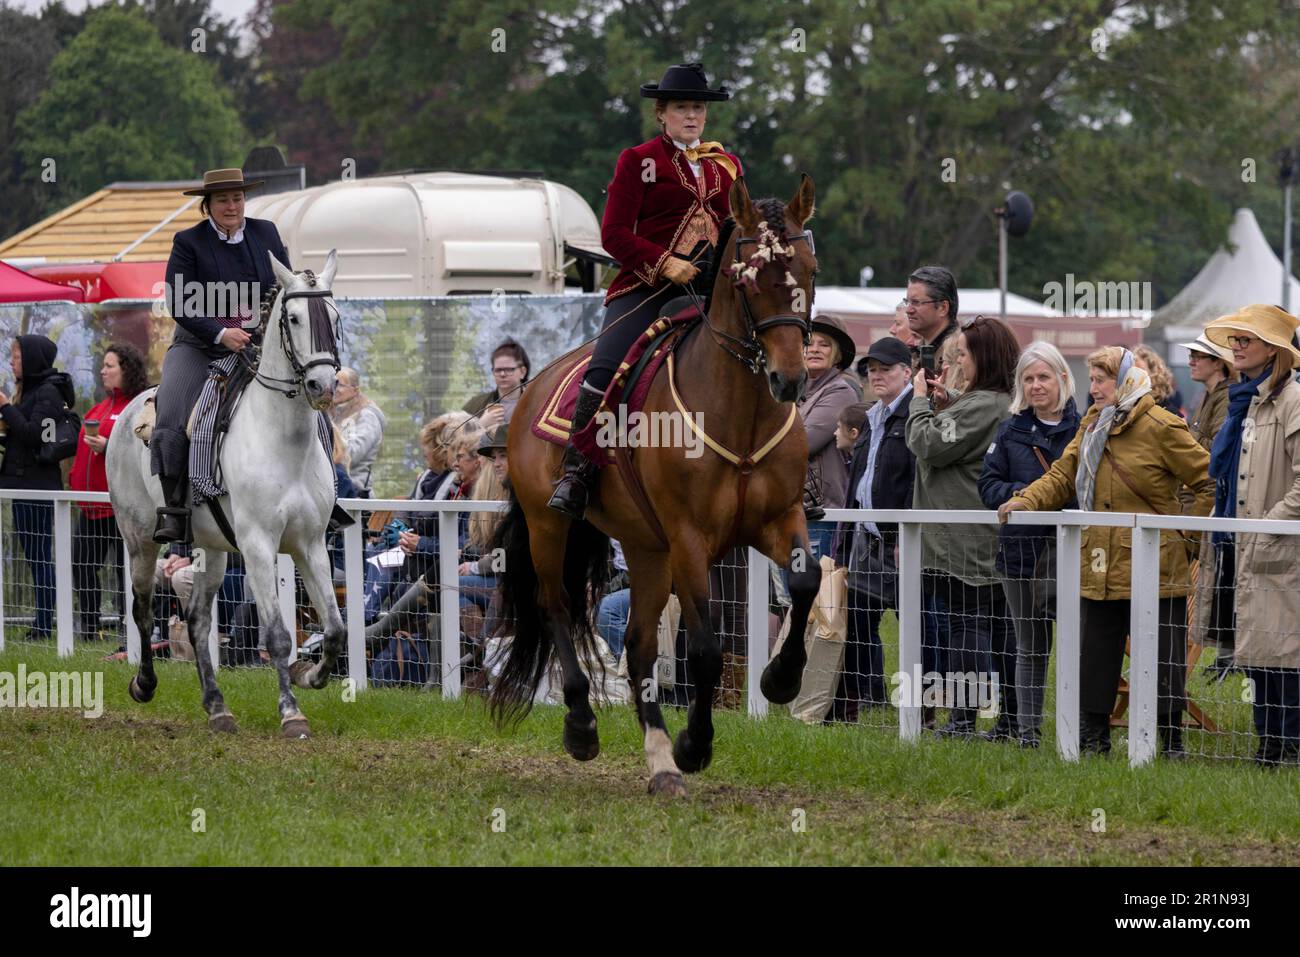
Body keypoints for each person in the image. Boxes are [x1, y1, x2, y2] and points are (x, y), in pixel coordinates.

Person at [548, 63, 743, 518]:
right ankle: (578, 471)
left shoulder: (727, 166)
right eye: (682, 107)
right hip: (647, 287)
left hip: (714, 289)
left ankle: (797, 475)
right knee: (604, 367)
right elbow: (613, 234)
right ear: (662, 113)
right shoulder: (639, 161)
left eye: (698, 107)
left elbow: (738, 225)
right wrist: (664, 263)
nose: (692, 116)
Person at [999, 346, 1213, 757]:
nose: (1092, 388)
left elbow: (1207, 482)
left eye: (1102, 379)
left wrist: (1185, 538)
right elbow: (1063, 475)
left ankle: (1170, 743)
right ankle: (1093, 739)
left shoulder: (1163, 426)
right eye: (1092, 379)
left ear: (1127, 380)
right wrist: (1026, 500)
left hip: (1156, 566)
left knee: (1164, 659)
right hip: (1098, 564)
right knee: (1094, 657)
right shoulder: (1093, 424)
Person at [155, 167, 348, 543]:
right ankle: (175, 510)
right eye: (224, 200)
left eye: (238, 198)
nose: (232, 206)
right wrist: (220, 332)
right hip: (198, 345)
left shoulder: (266, 233)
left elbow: (285, 286)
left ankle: (327, 499)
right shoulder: (188, 242)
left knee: (312, 407)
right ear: (207, 205)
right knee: (171, 416)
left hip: (259, 345)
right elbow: (178, 301)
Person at [1191, 306, 1300, 766]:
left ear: (1272, 350)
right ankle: (1267, 743)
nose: (1235, 345)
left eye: (1246, 339)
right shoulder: (1249, 400)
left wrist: (1266, 526)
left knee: (1285, 650)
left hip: (1277, 546)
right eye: (1233, 339)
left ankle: (1287, 744)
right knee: (1256, 648)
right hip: (1241, 544)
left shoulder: (1292, 400)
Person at [909, 316, 1019, 739]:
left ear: (983, 357)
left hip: (961, 540)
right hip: (978, 536)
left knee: (966, 626)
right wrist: (950, 397)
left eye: (964, 355)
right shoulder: (996, 400)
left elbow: (928, 444)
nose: (960, 362)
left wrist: (920, 400)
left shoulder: (982, 403)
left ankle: (961, 722)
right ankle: (1011, 721)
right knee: (998, 628)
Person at [978, 341, 1081, 747]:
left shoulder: (1086, 428)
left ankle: (1078, 734)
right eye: (1029, 378)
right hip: (1020, 552)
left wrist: (1046, 498)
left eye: (1044, 377)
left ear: (1062, 379)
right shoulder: (1009, 430)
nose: (1037, 386)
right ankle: (1027, 734)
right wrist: (1026, 493)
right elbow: (987, 486)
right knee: (1030, 646)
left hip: (1071, 554)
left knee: (1077, 644)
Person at [834, 336, 916, 722]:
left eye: (886, 369)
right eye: (872, 370)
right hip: (866, 541)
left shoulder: (917, 413)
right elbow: (856, 484)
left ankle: (922, 708)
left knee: (918, 630)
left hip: (902, 542)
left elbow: (919, 481)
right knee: (858, 627)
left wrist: (905, 535)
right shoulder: (872, 417)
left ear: (907, 371)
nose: (877, 376)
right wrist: (841, 546)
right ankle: (863, 698)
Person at [70, 343, 149, 640]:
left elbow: (144, 447)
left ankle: (128, 626)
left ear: (126, 369)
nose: (103, 370)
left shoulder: (139, 408)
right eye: (103, 365)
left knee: (125, 570)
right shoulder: (97, 408)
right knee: (82, 565)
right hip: (90, 508)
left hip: (121, 508)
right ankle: (89, 626)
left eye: (110, 365)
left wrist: (108, 446)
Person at [0, 334, 76, 640]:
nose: (12, 362)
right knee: (34, 556)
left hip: (37, 487)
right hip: (22, 484)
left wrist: (6, 407)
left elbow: (36, 435)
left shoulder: (48, 393)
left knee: (40, 556)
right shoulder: (31, 391)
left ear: (31, 359)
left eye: (16, 357)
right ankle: (42, 621)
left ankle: (44, 624)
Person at [797, 314, 860, 541]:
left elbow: (803, 443)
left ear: (837, 355)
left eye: (824, 345)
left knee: (819, 577)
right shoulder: (794, 392)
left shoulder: (840, 392)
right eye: (808, 343)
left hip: (823, 511)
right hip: (791, 509)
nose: (814, 349)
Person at [330, 367, 385, 498]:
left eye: (339, 384)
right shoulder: (335, 412)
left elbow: (353, 454)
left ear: (355, 390)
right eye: (333, 383)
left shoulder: (367, 416)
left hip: (356, 494)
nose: (334, 389)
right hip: (334, 487)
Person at [1181, 333, 1234, 450]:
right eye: (1191, 357)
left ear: (1218, 363)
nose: (1191, 363)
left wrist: (1185, 432)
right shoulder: (1209, 393)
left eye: (1197, 358)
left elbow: (1218, 447)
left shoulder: (1227, 396)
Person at [464, 339, 530, 431]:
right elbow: (456, 439)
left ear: (523, 372)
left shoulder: (537, 404)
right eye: (498, 370)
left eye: (509, 369)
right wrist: (481, 424)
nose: (502, 374)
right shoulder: (476, 405)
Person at [904, 265, 960, 374]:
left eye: (916, 302)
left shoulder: (959, 355)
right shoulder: (918, 354)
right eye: (908, 302)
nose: (908, 310)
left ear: (942, 308)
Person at [1133, 344, 1184, 417]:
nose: (1133, 376)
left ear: (1155, 375)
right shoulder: (1123, 410)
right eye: (1131, 370)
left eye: (1140, 371)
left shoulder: (1170, 415)